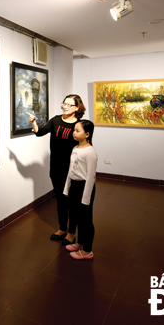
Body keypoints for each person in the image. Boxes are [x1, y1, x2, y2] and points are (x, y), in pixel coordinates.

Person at [28, 94, 86, 245]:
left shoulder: (80, 125)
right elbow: (39, 132)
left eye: (69, 104)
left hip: (74, 169)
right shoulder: (55, 120)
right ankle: (62, 228)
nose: (65, 106)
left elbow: (86, 147)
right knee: (60, 199)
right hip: (56, 167)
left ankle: (72, 232)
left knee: (72, 202)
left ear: (77, 107)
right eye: (64, 103)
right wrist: (34, 122)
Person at [63, 119, 98, 260]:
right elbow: (71, 171)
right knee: (76, 216)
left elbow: (91, 177)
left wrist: (86, 198)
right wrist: (66, 188)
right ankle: (80, 243)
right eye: (74, 130)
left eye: (78, 131)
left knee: (86, 220)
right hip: (74, 186)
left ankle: (87, 250)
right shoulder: (75, 149)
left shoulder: (90, 152)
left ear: (87, 134)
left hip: (84, 187)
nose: (74, 133)